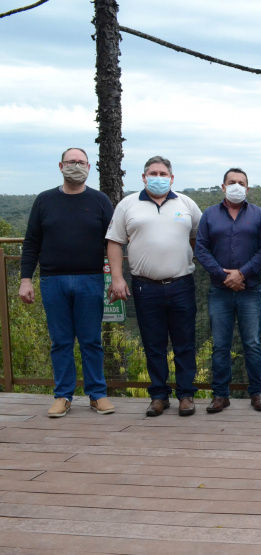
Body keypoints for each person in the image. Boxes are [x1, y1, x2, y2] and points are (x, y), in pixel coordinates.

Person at [19, 147, 115, 418]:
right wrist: (26, 279)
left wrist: (115, 277)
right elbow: (31, 244)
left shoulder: (100, 201)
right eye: (71, 162)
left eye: (81, 162)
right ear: (61, 166)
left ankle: (97, 395)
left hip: (91, 279)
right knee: (60, 341)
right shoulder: (44, 201)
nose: (76, 165)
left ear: (89, 166)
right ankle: (63, 396)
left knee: (91, 341)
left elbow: (113, 242)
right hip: (52, 281)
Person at [107, 156, 202, 417]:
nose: (157, 177)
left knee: (184, 343)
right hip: (144, 287)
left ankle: (185, 395)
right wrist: (117, 278)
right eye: (152, 173)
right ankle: (159, 395)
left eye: (163, 173)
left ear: (171, 178)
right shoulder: (127, 204)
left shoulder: (186, 203)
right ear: (143, 176)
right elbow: (114, 242)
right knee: (153, 343)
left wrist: (186, 257)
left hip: (182, 284)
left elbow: (199, 236)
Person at [194, 168, 261, 413]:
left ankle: (257, 393)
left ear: (247, 188)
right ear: (223, 186)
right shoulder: (209, 215)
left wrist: (242, 273)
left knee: (252, 343)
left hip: (250, 289)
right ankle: (220, 395)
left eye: (241, 182)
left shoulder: (259, 215)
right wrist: (223, 275)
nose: (236, 185)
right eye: (232, 182)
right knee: (220, 345)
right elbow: (201, 249)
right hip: (220, 290)